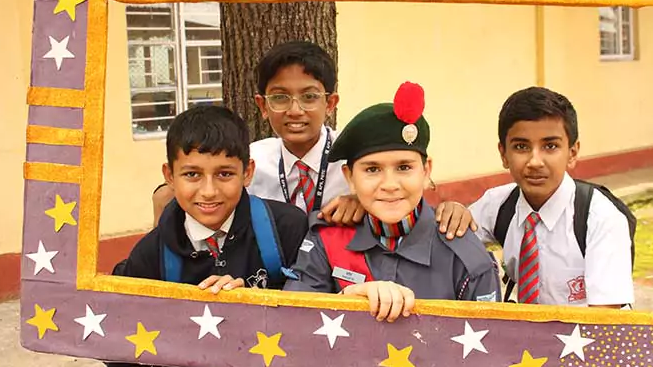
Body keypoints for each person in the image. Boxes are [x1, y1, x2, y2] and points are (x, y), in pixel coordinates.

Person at [263, 81, 501, 367]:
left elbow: (490, 351)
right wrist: (349, 300)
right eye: (372, 170)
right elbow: (293, 319)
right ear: (349, 177)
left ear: (426, 170)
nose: (390, 185)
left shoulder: (463, 252)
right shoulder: (329, 237)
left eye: (404, 167)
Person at [97, 106, 308, 367]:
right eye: (192, 174)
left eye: (224, 174)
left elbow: (312, 312)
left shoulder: (286, 228)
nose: (208, 191)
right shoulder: (151, 253)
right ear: (169, 176)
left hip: (263, 363)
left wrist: (252, 300)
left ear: (248, 172)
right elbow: (126, 348)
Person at [152, 41, 475, 233]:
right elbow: (195, 182)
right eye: (280, 98)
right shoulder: (251, 159)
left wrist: (365, 201)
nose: (295, 111)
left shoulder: (359, 157)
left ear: (330, 103)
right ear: (262, 106)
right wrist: (164, 195)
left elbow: (407, 191)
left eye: (309, 97)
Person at [456, 87, 632, 367]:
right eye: (521, 146)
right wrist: (449, 212)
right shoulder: (498, 204)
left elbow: (603, 322)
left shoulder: (600, 217)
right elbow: (443, 240)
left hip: (586, 353)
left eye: (550, 146)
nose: (534, 161)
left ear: (573, 152)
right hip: (520, 345)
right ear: (503, 153)